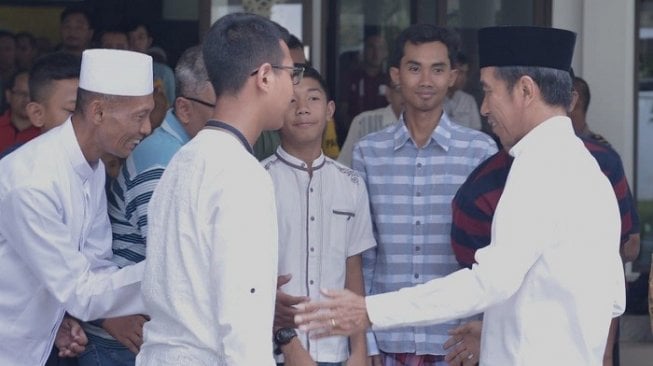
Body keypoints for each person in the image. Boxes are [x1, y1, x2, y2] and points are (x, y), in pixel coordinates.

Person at [294, 26, 626, 366]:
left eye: (488, 91)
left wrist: (368, 310)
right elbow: (612, 297)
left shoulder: (539, 170)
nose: (483, 108)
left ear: (525, 90)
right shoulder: (585, 167)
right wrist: (497, 327)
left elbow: (488, 283)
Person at [135, 13, 299, 365]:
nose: (295, 90)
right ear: (266, 77)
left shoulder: (184, 158)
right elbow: (243, 322)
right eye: (292, 74)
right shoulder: (242, 173)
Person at [446, 80, 641, 366]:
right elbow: (484, 283)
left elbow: (627, 250)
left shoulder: (601, 166)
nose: (486, 108)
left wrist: (605, 354)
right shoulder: (480, 188)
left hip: (585, 340)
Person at [346, 24, 498, 365]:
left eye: (438, 69)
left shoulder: (479, 151)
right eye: (414, 68)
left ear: (453, 76)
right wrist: (365, 342)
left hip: (455, 342)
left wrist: (482, 326)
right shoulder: (369, 152)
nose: (426, 80)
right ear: (396, 75)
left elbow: (492, 253)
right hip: (387, 338)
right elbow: (362, 254)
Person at [0, 48, 154, 365]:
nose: (146, 128)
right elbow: (81, 291)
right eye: (139, 116)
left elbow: (95, 264)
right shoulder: (33, 181)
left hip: (42, 342)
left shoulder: (91, 166)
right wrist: (176, 268)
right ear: (97, 112)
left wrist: (63, 318)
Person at [77, 45, 215, 366]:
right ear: (183, 109)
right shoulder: (162, 162)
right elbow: (176, 267)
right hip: (124, 343)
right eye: (138, 116)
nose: (144, 128)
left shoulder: (193, 152)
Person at [262, 66, 375, 365]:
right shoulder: (258, 180)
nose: (302, 109)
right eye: (291, 101)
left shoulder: (351, 184)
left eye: (312, 99)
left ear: (329, 110)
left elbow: (353, 269)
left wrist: (359, 349)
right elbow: (250, 274)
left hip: (335, 350)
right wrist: (288, 344)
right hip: (273, 353)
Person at [254, 33, 305, 161]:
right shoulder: (255, 127)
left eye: (302, 70)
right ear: (266, 74)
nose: (297, 78)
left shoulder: (309, 119)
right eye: (292, 71)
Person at [337, 77, 403, 167]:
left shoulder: (428, 128)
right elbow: (343, 169)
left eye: (412, 89)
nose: (406, 95)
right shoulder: (363, 123)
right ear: (388, 94)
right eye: (400, 89)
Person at [127, 21, 175, 107]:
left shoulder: (164, 72)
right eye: (130, 38)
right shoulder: (120, 70)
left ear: (149, 41)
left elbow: (171, 106)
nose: (135, 42)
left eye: (140, 38)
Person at [0, 71, 39, 154]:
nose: (27, 99)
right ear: (8, 95)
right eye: (22, 93)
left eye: (32, 95)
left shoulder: (46, 132)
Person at [444, 52, 482, 130]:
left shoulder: (468, 100)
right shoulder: (434, 100)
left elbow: (476, 130)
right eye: (460, 72)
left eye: (465, 73)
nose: (464, 78)